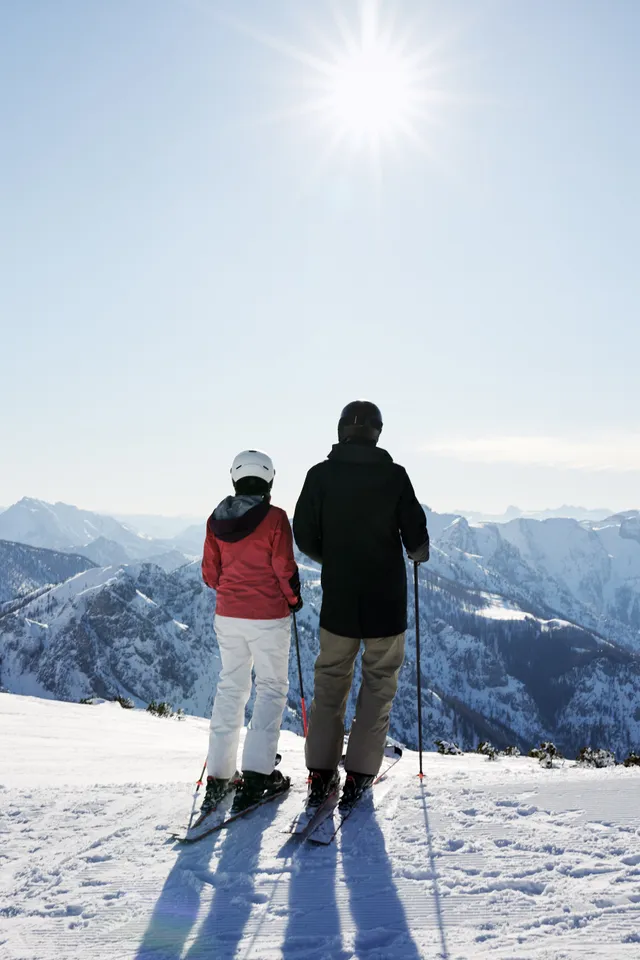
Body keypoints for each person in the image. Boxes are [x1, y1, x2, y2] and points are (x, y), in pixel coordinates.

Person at [293, 401, 429, 809]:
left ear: (340, 431)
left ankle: (319, 772)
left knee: (330, 683)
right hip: (386, 604)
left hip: (339, 601)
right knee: (378, 684)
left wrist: (332, 557)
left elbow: (302, 535)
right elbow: (418, 543)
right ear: (377, 433)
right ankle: (360, 772)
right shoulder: (395, 477)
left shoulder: (319, 476)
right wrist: (414, 554)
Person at [201, 449, 302, 816]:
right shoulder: (275, 519)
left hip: (228, 615)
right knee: (271, 689)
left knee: (231, 687)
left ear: (235, 479)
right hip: (268, 617)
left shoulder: (216, 519)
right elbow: (284, 567)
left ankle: (219, 776)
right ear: (269, 481)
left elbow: (210, 575)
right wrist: (293, 598)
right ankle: (258, 776)